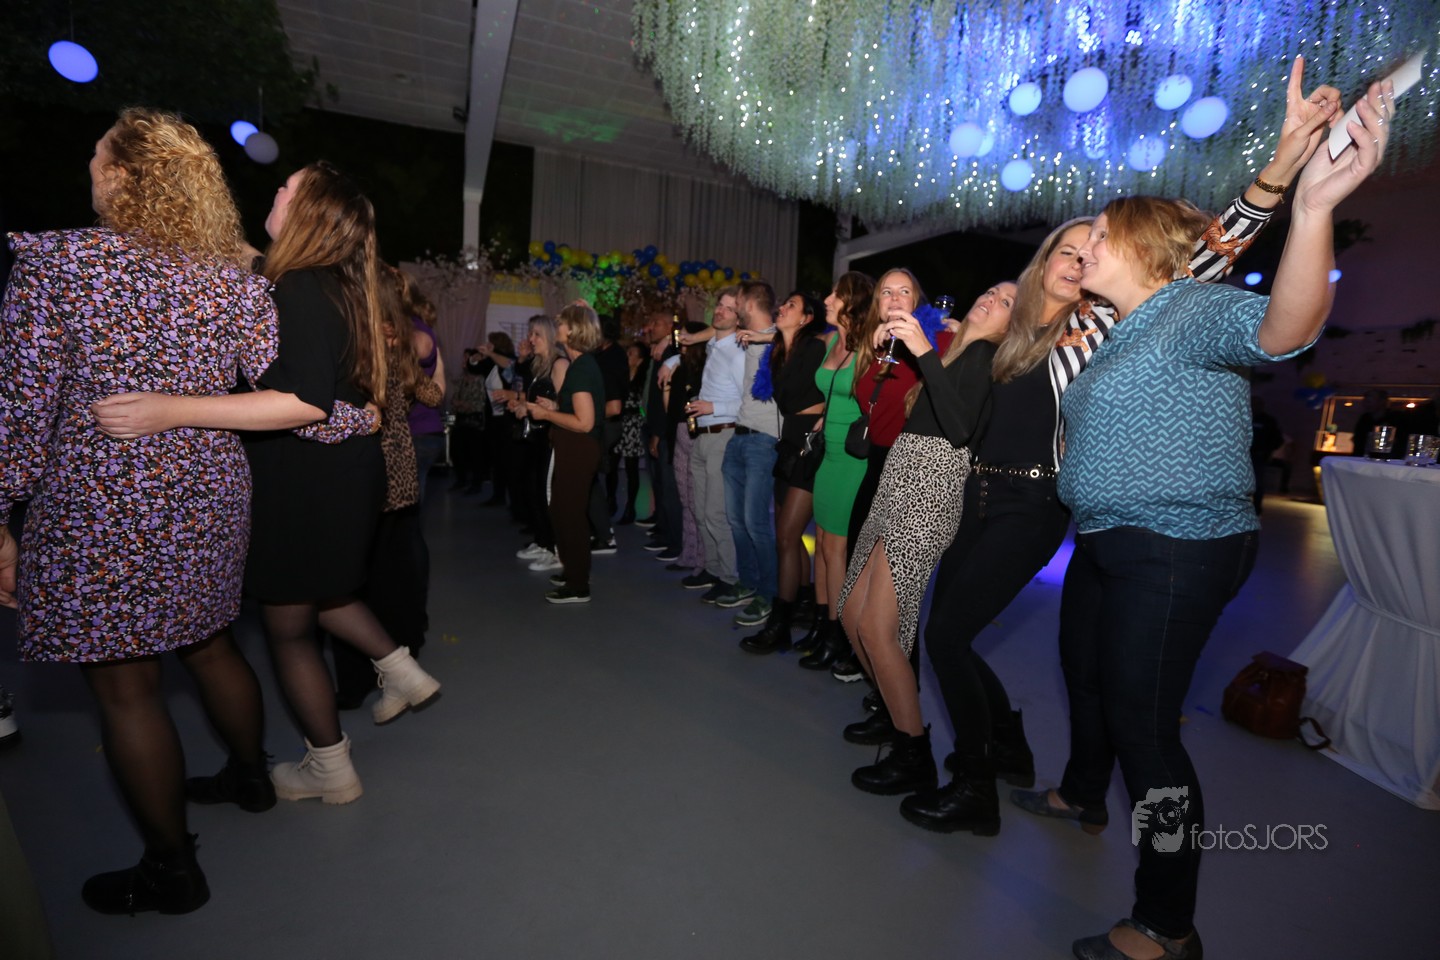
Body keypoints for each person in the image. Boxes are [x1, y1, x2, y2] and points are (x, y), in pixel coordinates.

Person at [904, 56, 1341, 843]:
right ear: (1047, 261)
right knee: (1076, 668)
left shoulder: (1113, 321)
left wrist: (1283, 171)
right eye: (1071, 248)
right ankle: (1072, 786)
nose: (1082, 258)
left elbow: (1214, 250)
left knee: (1123, 710)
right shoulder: (1020, 330)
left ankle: (1010, 793)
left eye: (1096, 245)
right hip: (1019, 505)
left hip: (1087, 513)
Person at [1028, 77, 1386, 960]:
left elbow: (1284, 329)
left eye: (1099, 235)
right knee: (1102, 692)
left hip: (1174, 545)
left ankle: (1165, 925)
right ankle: (1099, 819)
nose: (1084, 247)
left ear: (1146, 249)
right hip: (1116, 542)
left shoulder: (1186, 308)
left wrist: (1309, 205)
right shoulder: (1121, 327)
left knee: (1146, 733)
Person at [1, 109, 337, 914]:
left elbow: (19, 413)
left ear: (123, 176)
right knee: (212, 645)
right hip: (207, 492)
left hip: (100, 501)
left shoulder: (59, 264)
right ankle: (251, 778)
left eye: (97, 156)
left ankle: (171, 871)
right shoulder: (232, 279)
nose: (90, 166)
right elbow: (282, 384)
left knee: (126, 690)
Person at [92, 160, 443, 806]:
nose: (277, 191)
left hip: (307, 481)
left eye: (288, 187)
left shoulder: (302, 286)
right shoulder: (341, 283)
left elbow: (302, 401)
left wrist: (170, 409)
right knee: (322, 594)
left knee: (289, 631)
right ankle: (397, 669)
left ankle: (330, 767)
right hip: (341, 478)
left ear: (307, 213)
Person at [835, 285, 1014, 797]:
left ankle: (913, 752)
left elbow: (958, 429)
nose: (991, 299)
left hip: (931, 486)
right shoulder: (959, 350)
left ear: (1014, 323)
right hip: (900, 476)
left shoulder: (987, 356)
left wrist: (924, 353)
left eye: (1006, 302)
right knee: (851, 614)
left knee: (877, 627)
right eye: (990, 291)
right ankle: (897, 715)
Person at [740, 291, 829, 653]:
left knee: (787, 537)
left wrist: (828, 415)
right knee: (787, 537)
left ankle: (779, 623)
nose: (782, 308)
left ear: (806, 318)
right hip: (789, 442)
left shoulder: (815, 348)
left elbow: (838, 357)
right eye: (784, 303)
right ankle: (802, 604)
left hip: (812, 443)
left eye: (791, 305)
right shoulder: (779, 353)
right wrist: (768, 339)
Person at [520, 302, 604, 603]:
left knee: (570, 515)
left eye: (562, 323)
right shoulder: (581, 364)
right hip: (574, 447)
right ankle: (574, 572)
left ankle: (578, 584)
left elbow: (584, 422)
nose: (558, 327)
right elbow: (577, 411)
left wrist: (546, 415)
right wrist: (555, 407)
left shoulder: (580, 368)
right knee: (563, 511)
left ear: (574, 330)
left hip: (579, 448)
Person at [719, 279, 783, 625]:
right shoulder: (745, 337)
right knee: (736, 519)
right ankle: (747, 581)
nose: (733, 308)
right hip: (739, 435)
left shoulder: (780, 337)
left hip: (764, 439)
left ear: (748, 302)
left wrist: (765, 338)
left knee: (756, 522)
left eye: (736, 302)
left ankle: (768, 594)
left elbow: (808, 341)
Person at [680, 288, 746, 601]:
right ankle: (712, 567)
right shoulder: (714, 345)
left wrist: (713, 407)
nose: (720, 311)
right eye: (719, 305)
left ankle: (729, 577)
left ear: (740, 318)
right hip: (703, 435)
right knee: (700, 508)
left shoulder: (738, 352)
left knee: (716, 513)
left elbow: (749, 402)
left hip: (724, 434)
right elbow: (708, 334)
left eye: (729, 308)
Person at [511, 315, 569, 572]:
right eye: (530, 334)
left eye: (536, 335)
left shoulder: (559, 364)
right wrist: (523, 406)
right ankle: (543, 541)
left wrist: (547, 407)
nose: (531, 339)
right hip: (537, 437)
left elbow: (567, 404)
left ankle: (556, 550)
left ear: (548, 336)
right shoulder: (539, 365)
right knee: (533, 491)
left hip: (551, 438)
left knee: (547, 495)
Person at [616, 341, 649, 524]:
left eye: (631, 353)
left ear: (640, 360)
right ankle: (612, 502)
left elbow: (643, 405)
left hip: (634, 425)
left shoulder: (643, 379)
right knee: (611, 465)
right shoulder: (621, 375)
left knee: (631, 468)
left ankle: (630, 508)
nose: (627, 356)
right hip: (618, 423)